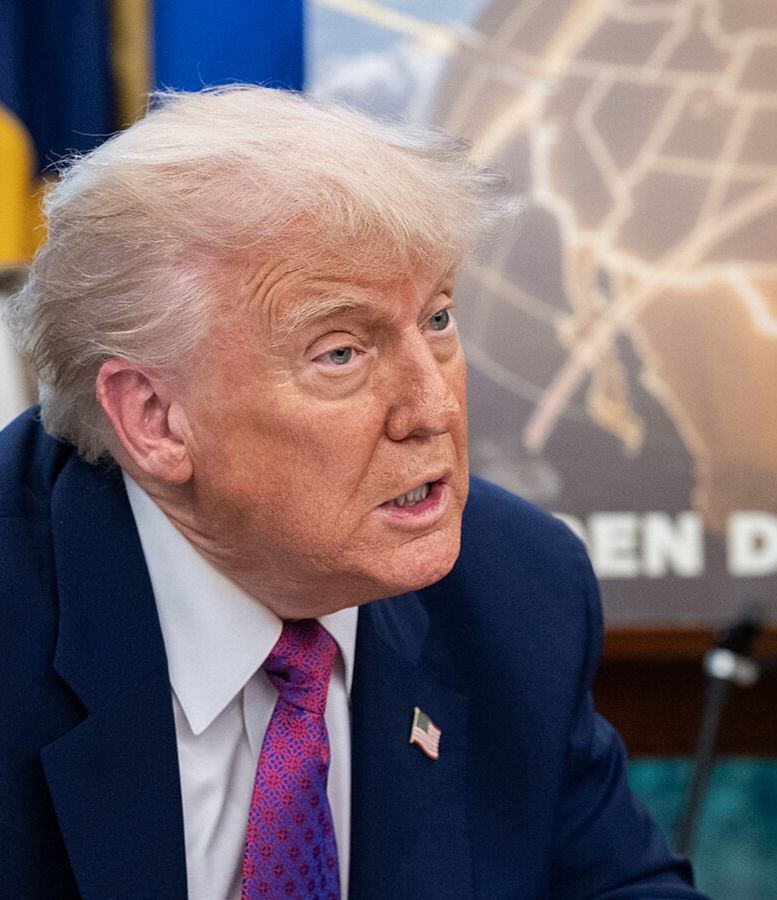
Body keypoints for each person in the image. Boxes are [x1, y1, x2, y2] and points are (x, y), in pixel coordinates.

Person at [0, 86, 707, 900]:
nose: (434, 409)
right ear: (156, 419)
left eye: (437, 320)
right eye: (341, 353)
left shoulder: (517, 592)